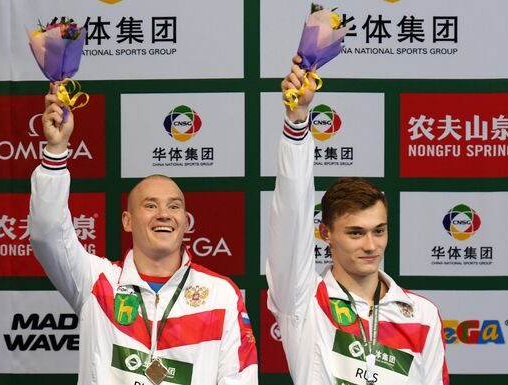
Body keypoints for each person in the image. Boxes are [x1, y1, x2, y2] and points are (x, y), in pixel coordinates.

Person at [29, 92, 258, 385]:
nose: (164, 214)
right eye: (150, 205)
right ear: (127, 221)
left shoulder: (220, 293)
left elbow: (240, 378)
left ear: (185, 221)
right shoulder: (97, 281)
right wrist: (56, 150)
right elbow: (48, 231)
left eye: (174, 206)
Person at [266, 57, 449, 385]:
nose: (371, 245)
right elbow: (291, 214)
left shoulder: (421, 314)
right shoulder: (303, 300)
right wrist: (297, 120)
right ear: (325, 233)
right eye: (355, 233)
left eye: (379, 230)